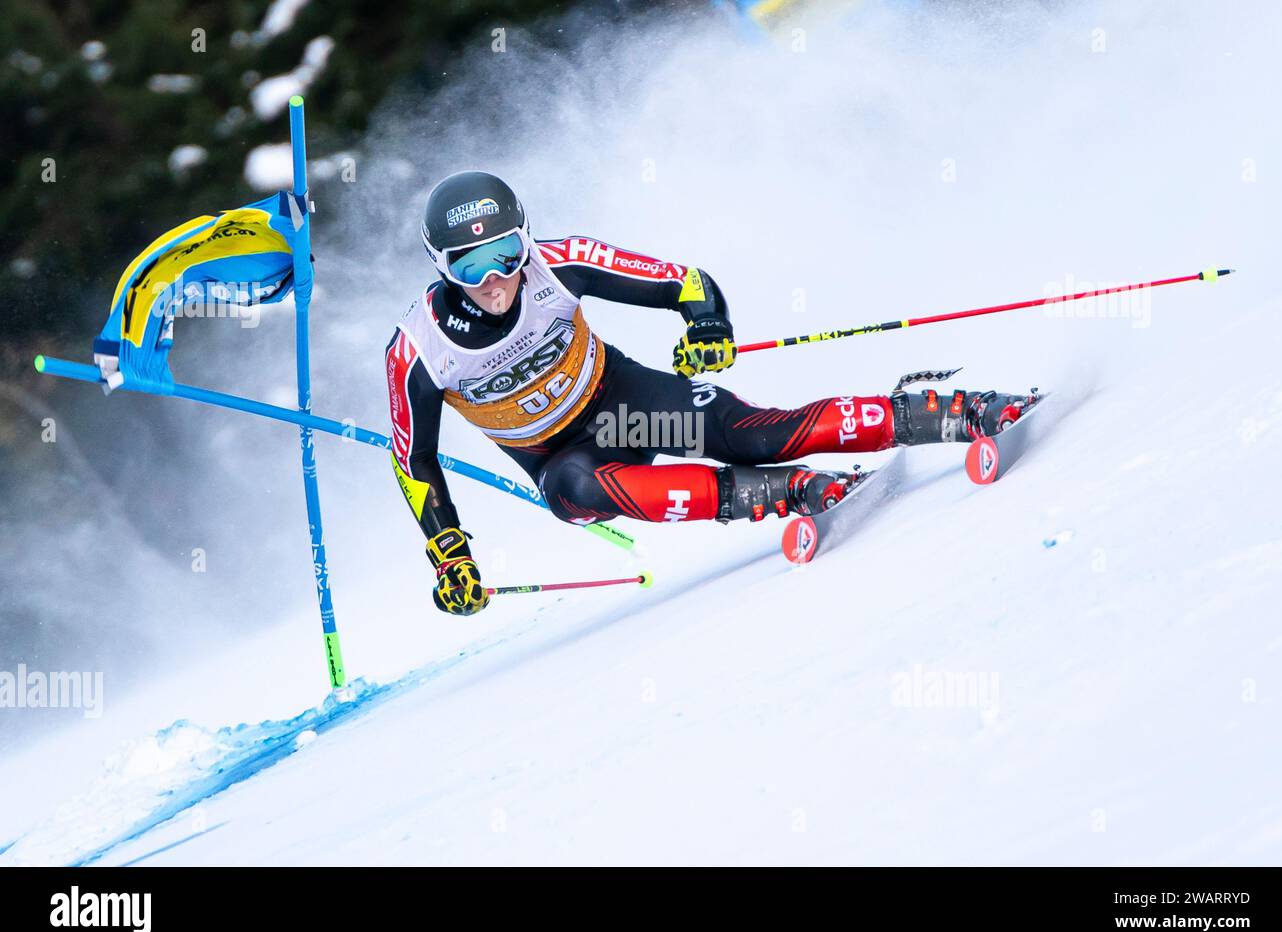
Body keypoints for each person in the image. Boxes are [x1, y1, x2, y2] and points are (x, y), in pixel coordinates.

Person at [386, 171, 1036, 616]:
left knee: (759, 435)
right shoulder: (418, 350)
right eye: (469, 267)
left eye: (505, 252)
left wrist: (707, 327)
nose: (496, 278)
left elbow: (685, 282)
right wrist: (450, 553)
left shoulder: (561, 262)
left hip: (624, 412)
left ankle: (961, 413)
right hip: (564, 460)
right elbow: (413, 459)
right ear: (440, 267)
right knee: (574, 495)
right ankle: (792, 492)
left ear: (525, 238)